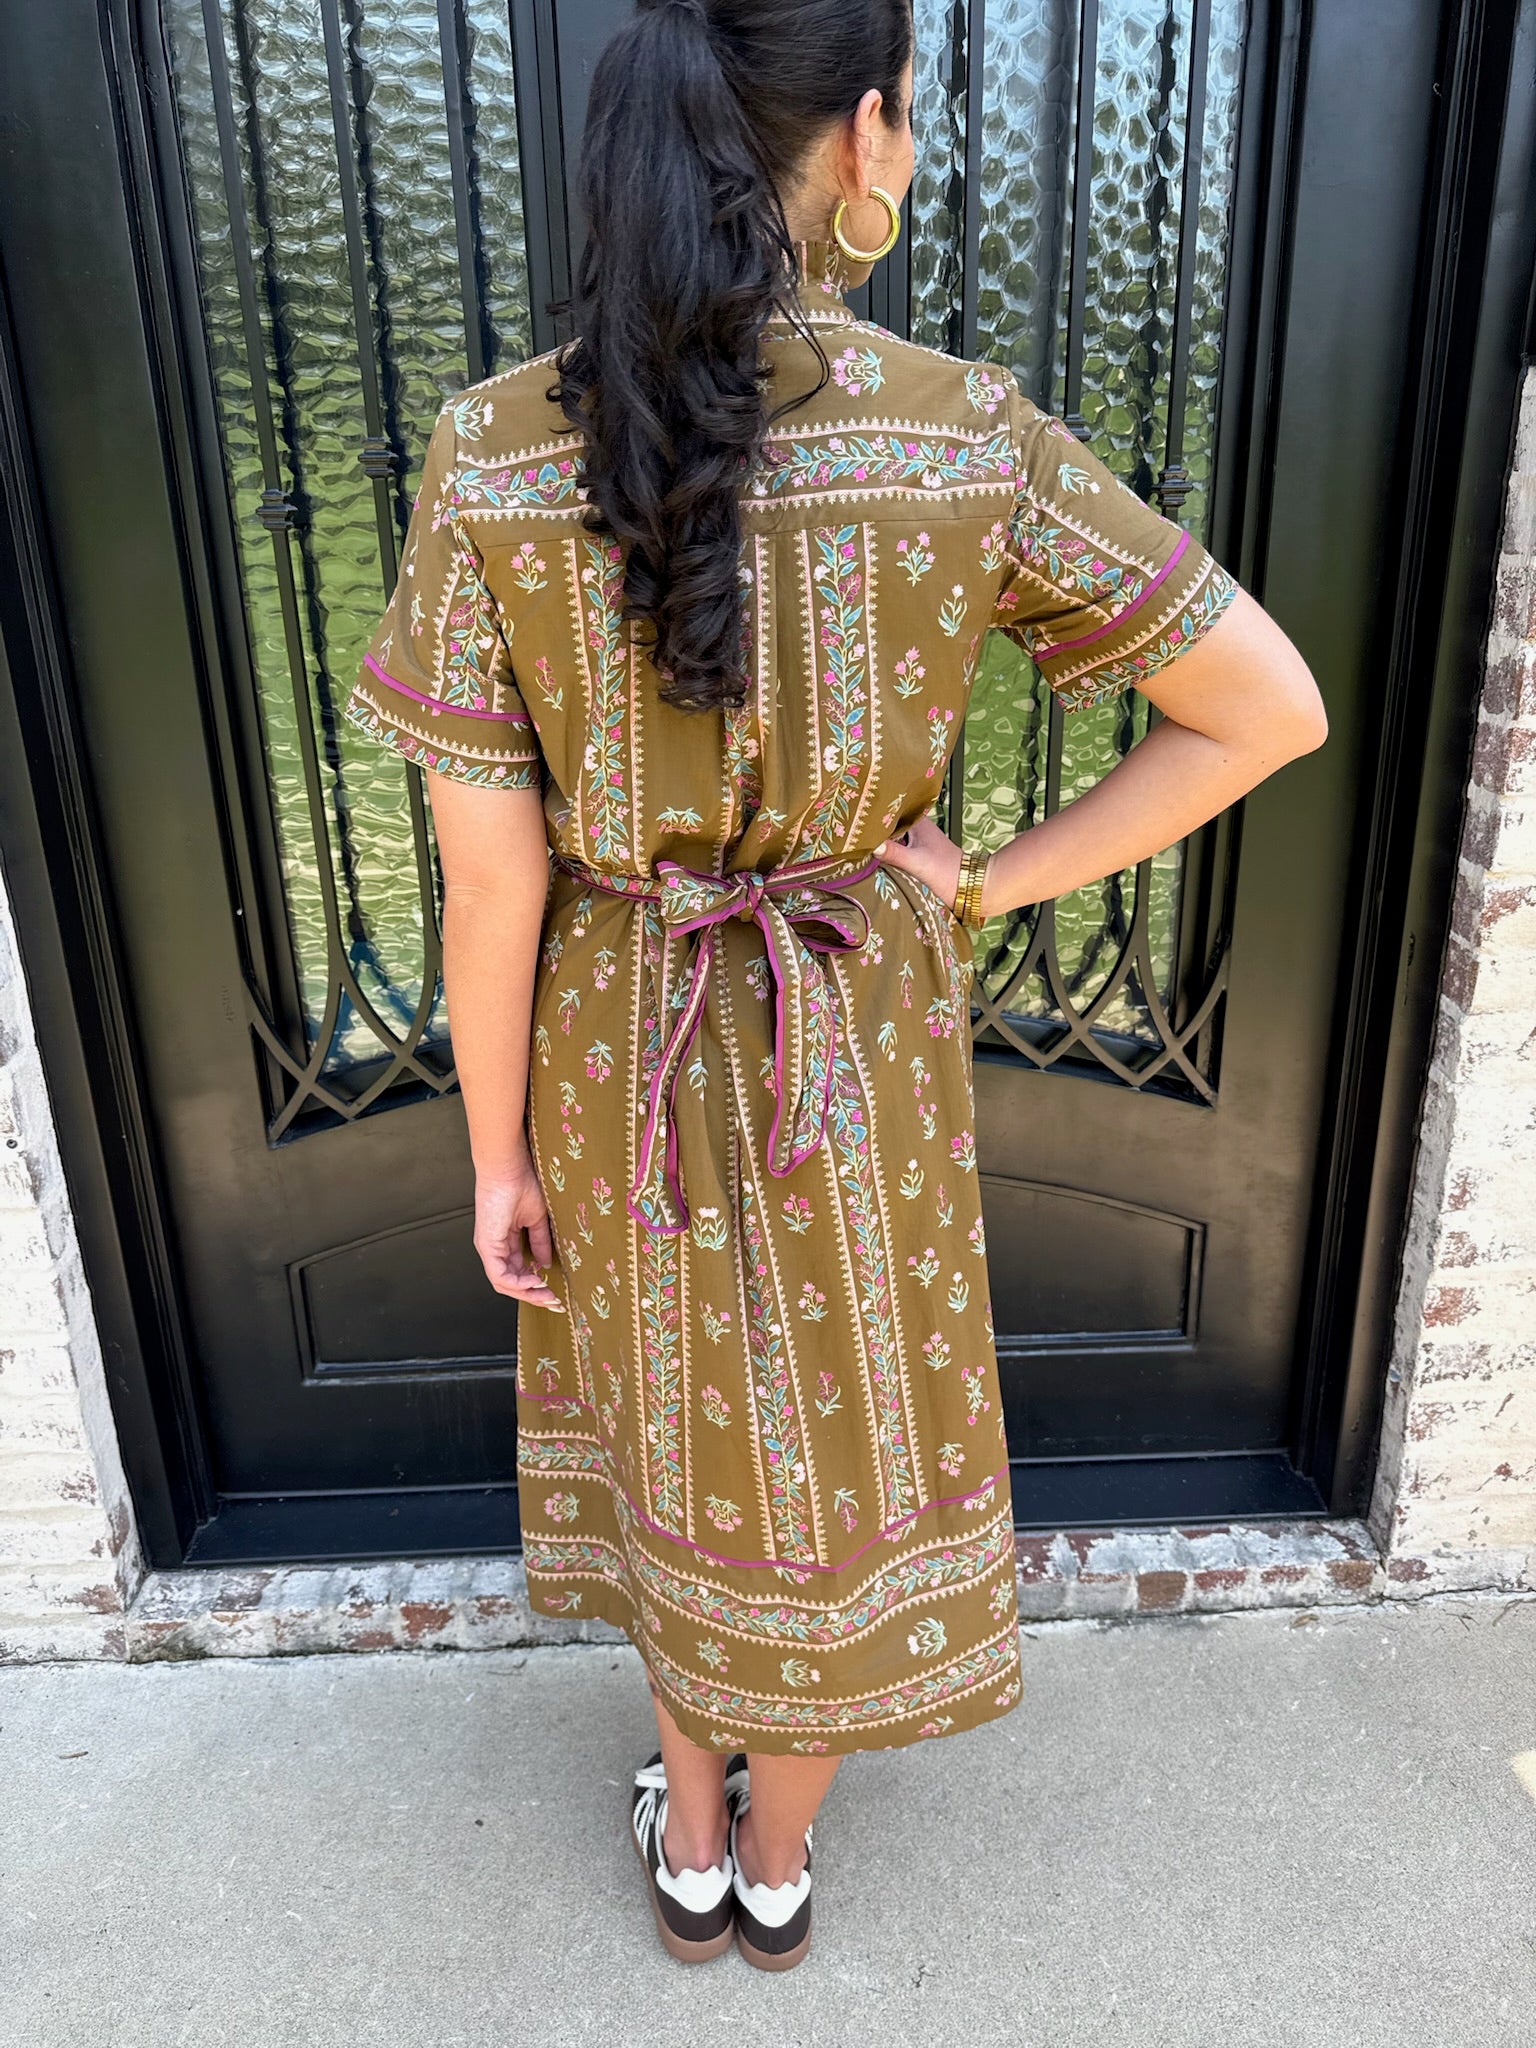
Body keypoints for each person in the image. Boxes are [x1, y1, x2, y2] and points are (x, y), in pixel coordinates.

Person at [345, 0, 1327, 1975]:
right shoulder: (961, 434)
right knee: (835, 1456)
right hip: (849, 1025)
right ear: (864, 133)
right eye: (913, 114)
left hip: (619, 1038)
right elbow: (1268, 707)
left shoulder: (491, 453)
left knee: (671, 1431)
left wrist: (495, 1156)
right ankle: (778, 1870)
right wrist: (991, 879)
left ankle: (692, 1838)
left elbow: (492, 881)